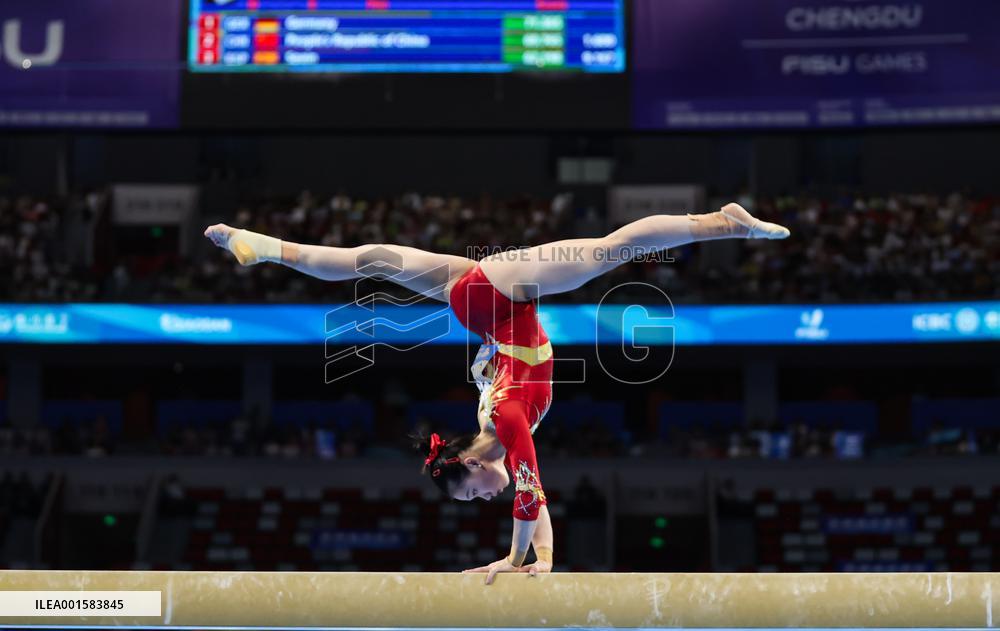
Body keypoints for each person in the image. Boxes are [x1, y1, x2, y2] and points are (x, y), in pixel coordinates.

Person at [204, 202, 789, 583]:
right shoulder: (501, 428)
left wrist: (513, 559)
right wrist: (544, 561)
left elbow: (528, 495)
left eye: (475, 495)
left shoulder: (507, 418)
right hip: (478, 302)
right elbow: (536, 496)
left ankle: (724, 224)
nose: (486, 498)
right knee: (370, 262)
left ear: (470, 465)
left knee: (612, 250)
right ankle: (258, 243)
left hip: (499, 295)